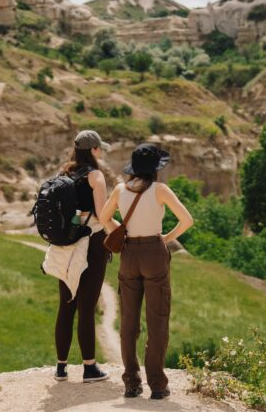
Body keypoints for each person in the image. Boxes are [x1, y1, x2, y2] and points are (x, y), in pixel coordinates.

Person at [100, 143, 194, 400]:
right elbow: (187, 220)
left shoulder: (120, 190)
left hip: (129, 254)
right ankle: (158, 385)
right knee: (157, 321)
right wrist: (166, 238)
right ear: (155, 169)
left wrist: (118, 231)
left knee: (129, 322)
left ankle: (131, 383)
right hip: (154, 252)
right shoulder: (160, 190)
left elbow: (103, 217)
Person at [52, 130, 110, 383]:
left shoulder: (63, 173)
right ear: (94, 150)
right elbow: (102, 214)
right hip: (92, 242)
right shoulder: (96, 176)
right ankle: (89, 367)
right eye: (100, 149)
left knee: (66, 305)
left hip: (65, 243)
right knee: (87, 307)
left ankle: (61, 368)